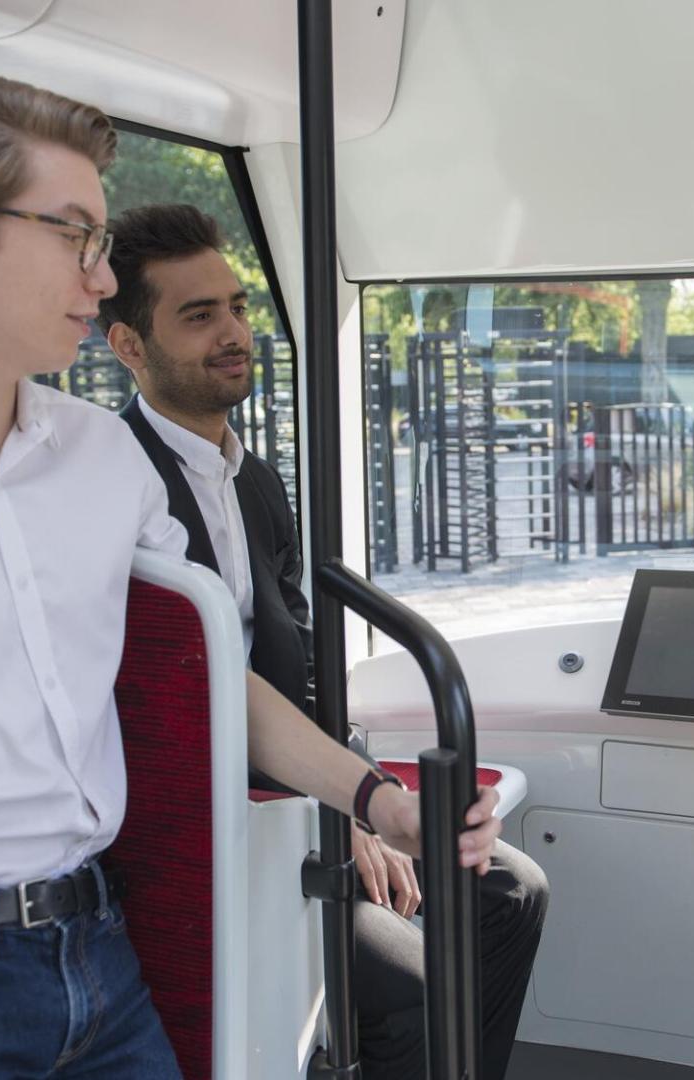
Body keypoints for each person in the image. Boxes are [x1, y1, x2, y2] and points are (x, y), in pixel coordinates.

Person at [0, 72, 501, 1080]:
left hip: (104, 956)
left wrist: (376, 798)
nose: (102, 279)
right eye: (74, 236)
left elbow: (210, 683)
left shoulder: (101, 461)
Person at [98, 202, 548, 1080]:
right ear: (127, 347)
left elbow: (291, 670)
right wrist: (349, 811)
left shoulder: (255, 482)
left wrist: (350, 802)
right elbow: (196, 697)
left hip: (294, 794)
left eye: (235, 306)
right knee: (416, 984)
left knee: (511, 893)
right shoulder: (114, 486)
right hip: (208, 831)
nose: (234, 333)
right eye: (199, 316)